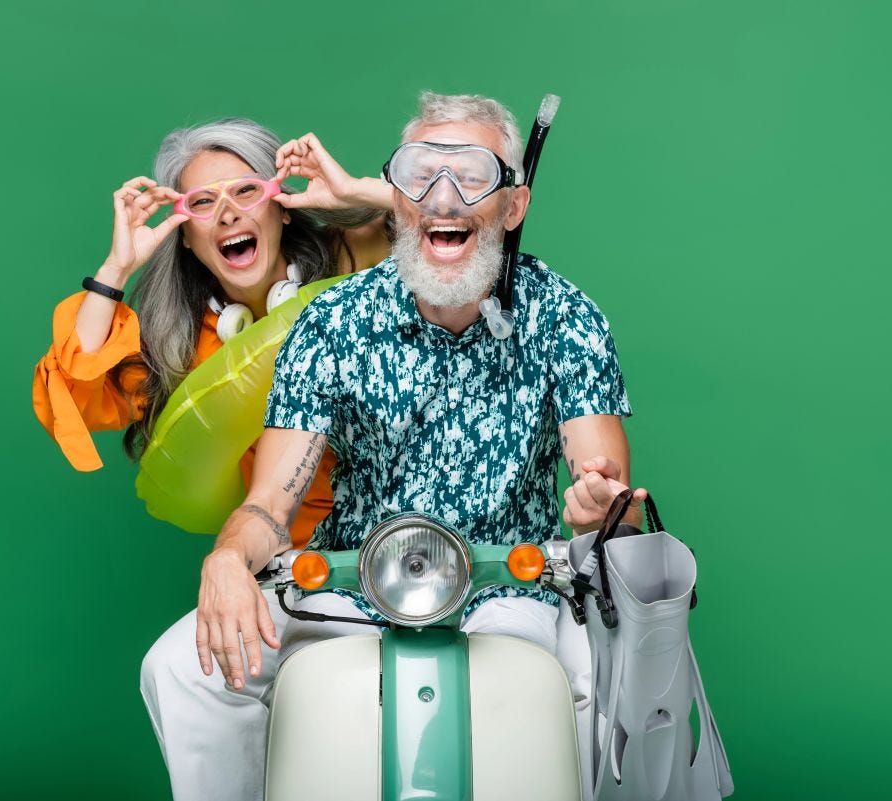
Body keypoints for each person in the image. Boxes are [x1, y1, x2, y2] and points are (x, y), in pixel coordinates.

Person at [142, 91, 642, 800]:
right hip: (347, 582)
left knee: (615, 675)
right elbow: (269, 502)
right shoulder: (331, 322)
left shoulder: (568, 315)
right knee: (178, 666)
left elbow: (602, 477)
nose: (444, 198)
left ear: (513, 206)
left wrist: (598, 501)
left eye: (471, 177)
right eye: (420, 177)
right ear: (397, 204)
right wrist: (227, 555)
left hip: (511, 585)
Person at [31, 118, 392, 801]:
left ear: (281, 206)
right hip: (291, 569)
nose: (227, 213)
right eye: (202, 203)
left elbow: (450, 225)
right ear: (187, 232)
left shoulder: (357, 273)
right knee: (175, 666)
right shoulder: (182, 344)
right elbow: (69, 401)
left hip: (401, 550)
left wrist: (346, 191)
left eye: (245, 191)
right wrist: (116, 269)